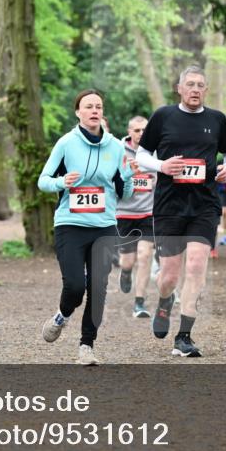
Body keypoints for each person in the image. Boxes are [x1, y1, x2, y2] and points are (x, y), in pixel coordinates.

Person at [136, 65, 226, 357]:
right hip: (169, 206)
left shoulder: (217, 120)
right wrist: (162, 166)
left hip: (204, 205)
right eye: (190, 84)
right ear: (179, 89)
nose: (195, 89)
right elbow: (142, 155)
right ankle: (165, 301)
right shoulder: (163, 116)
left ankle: (184, 336)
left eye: (200, 85)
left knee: (195, 266)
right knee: (168, 276)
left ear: (206, 90)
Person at [38, 89, 133, 365]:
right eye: (88, 106)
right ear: (78, 112)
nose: (94, 110)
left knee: (98, 288)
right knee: (75, 286)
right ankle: (61, 316)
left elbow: (124, 194)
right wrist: (61, 182)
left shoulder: (116, 147)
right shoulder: (66, 143)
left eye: (98, 106)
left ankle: (86, 346)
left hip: (104, 225)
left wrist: (127, 177)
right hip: (70, 224)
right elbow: (43, 180)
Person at [116, 115, 156, 318]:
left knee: (145, 255)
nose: (141, 134)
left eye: (144, 130)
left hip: (148, 212)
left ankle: (139, 302)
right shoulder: (117, 151)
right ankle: (124, 272)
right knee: (128, 261)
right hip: (124, 213)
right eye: (137, 130)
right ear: (129, 131)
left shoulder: (156, 151)